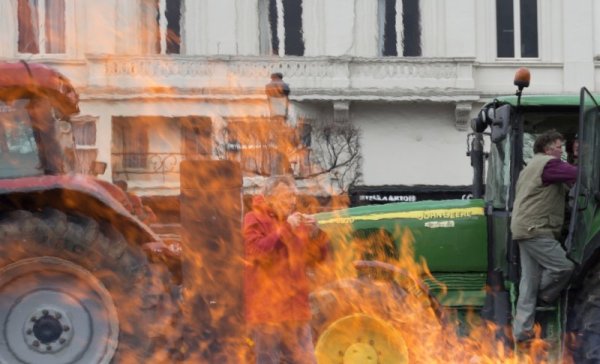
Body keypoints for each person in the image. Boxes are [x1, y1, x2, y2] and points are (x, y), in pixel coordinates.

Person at [243, 175, 328, 364]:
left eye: (293, 196)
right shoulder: (253, 218)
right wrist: (285, 229)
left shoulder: (296, 223)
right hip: (268, 312)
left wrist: (316, 234)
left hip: (297, 310)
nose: (292, 201)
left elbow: (318, 259)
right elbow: (256, 253)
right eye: (286, 196)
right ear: (270, 197)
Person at [511, 130, 577, 344]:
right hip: (536, 229)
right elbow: (580, 175)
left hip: (524, 228)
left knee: (528, 282)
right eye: (559, 147)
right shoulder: (549, 164)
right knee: (563, 267)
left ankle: (522, 333)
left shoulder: (531, 167)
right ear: (548, 148)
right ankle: (545, 295)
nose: (562, 151)